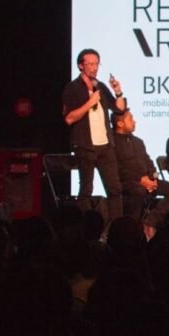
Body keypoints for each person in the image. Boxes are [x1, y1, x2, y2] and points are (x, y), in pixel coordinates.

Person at [61, 48, 125, 223]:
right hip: (85, 145)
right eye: (90, 64)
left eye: (97, 63)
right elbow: (69, 118)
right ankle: (87, 228)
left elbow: (119, 109)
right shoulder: (73, 88)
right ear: (81, 66)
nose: (94, 67)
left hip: (105, 146)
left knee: (114, 189)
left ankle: (116, 227)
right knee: (86, 189)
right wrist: (89, 103)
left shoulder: (100, 86)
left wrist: (118, 91)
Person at [112, 110, 169, 238]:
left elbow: (148, 161)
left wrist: (152, 178)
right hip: (128, 182)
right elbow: (117, 168)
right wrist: (140, 180)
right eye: (130, 119)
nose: (134, 121)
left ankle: (151, 221)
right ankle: (132, 229)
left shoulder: (138, 142)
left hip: (148, 181)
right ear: (120, 123)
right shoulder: (112, 143)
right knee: (139, 191)